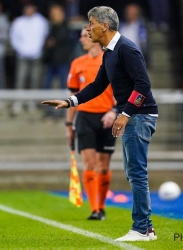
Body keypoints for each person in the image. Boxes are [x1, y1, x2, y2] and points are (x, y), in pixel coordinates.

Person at [42, 6, 158, 242]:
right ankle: (146, 228)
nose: (87, 29)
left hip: (139, 115)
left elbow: (143, 86)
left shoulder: (126, 49)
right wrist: (70, 101)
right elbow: (97, 86)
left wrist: (124, 114)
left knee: (136, 172)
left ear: (104, 26)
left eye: (91, 23)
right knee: (133, 172)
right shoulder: (110, 52)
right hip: (133, 115)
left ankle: (142, 229)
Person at [66, 27, 117, 220]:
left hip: (107, 117)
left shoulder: (111, 61)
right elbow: (72, 96)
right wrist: (68, 125)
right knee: (89, 162)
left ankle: (101, 206)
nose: (81, 39)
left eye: (84, 35)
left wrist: (114, 111)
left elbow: (121, 90)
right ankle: (95, 209)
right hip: (85, 117)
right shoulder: (77, 64)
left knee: (103, 165)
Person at [9, 3, 48, 115]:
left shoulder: (41, 21)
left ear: (34, 9)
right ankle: (18, 102)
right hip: (23, 55)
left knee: (35, 80)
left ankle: (32, 103)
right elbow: (13, 37)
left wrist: (39, 48)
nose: (29, 10)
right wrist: (19, 49)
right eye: (27, 8)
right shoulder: (19, 22)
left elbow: (44, 36)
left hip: (36, 55)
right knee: (20, 79)